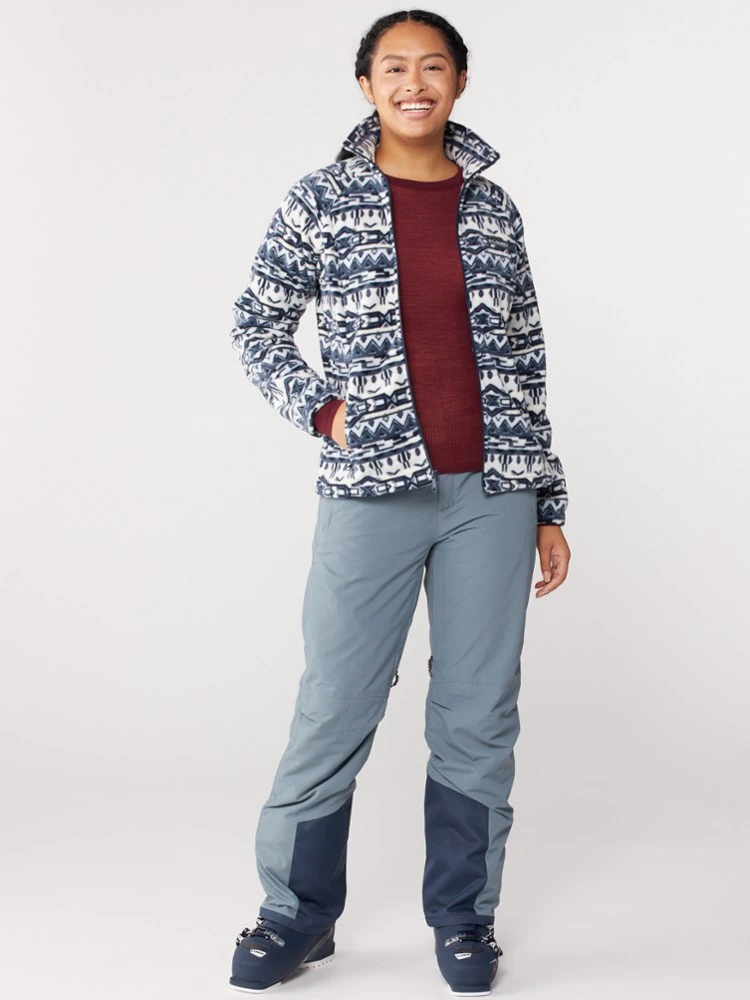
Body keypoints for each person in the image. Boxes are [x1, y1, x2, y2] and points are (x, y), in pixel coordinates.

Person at [228, 10, 571, 996]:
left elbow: (527, 359)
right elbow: (255, 322)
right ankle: (297, 915)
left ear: (459, 82)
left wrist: (548, 500)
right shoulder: (322, 199)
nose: (413, 83)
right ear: (366, 84)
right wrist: (321, 408)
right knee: (336, 701)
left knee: (477, 712)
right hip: (370, 494)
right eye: (394, 67)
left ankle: (464, 918)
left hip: (493, 494)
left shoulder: (494, 209)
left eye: (433, 66)